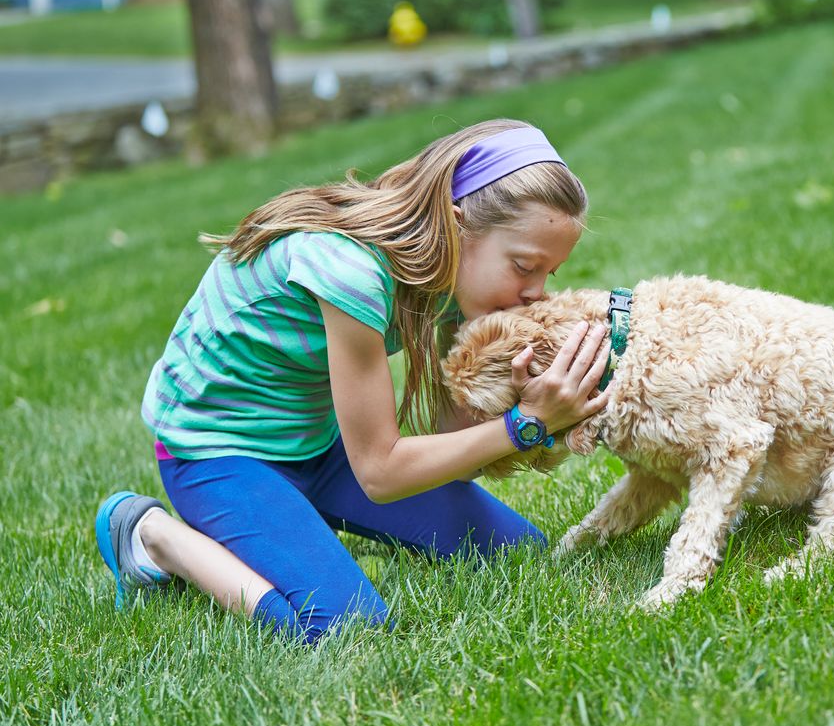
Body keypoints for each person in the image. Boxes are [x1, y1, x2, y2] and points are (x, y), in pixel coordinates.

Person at [93, 119, 611, 643]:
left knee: (518, 553)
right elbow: (381, 473)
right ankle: (148, 534)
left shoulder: (454, 276)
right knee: (346, 626)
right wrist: (526, 425)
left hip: (318, 444)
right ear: (456, 227)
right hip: (216, 451)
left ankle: (294, 517)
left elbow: (449, 460)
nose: (536, 292)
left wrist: (503, 390)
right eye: (524, 265)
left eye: (550, 273)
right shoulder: (352, 271)